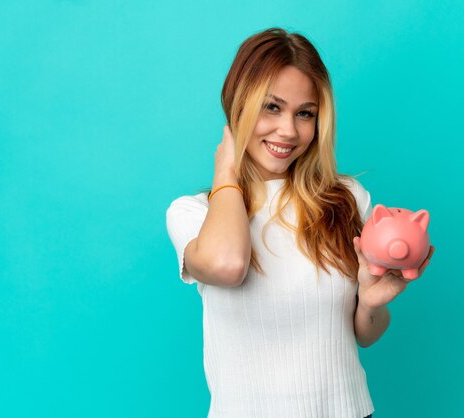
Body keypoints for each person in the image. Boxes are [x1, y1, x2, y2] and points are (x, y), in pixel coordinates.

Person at [166, 27, 434, 418]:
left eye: (305, 113)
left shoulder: (346, 199)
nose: (289, 131)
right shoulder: (194, 213)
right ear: (237, 106)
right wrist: (227, 170)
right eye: (271, 107)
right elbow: (228, 266)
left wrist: (371, 304)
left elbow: (365, 335)